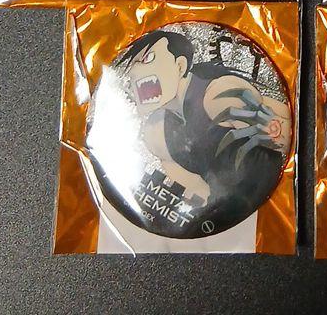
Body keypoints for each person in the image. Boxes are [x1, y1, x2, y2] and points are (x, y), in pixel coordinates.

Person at [113, 29, 290, 212]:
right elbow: (200, 196)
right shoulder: (156, 134)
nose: (134, 71)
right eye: (132, 66)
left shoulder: (219, 95)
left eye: (148, 58)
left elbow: (291, 136)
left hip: (280, 203)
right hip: (230, 214)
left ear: (180, 65)